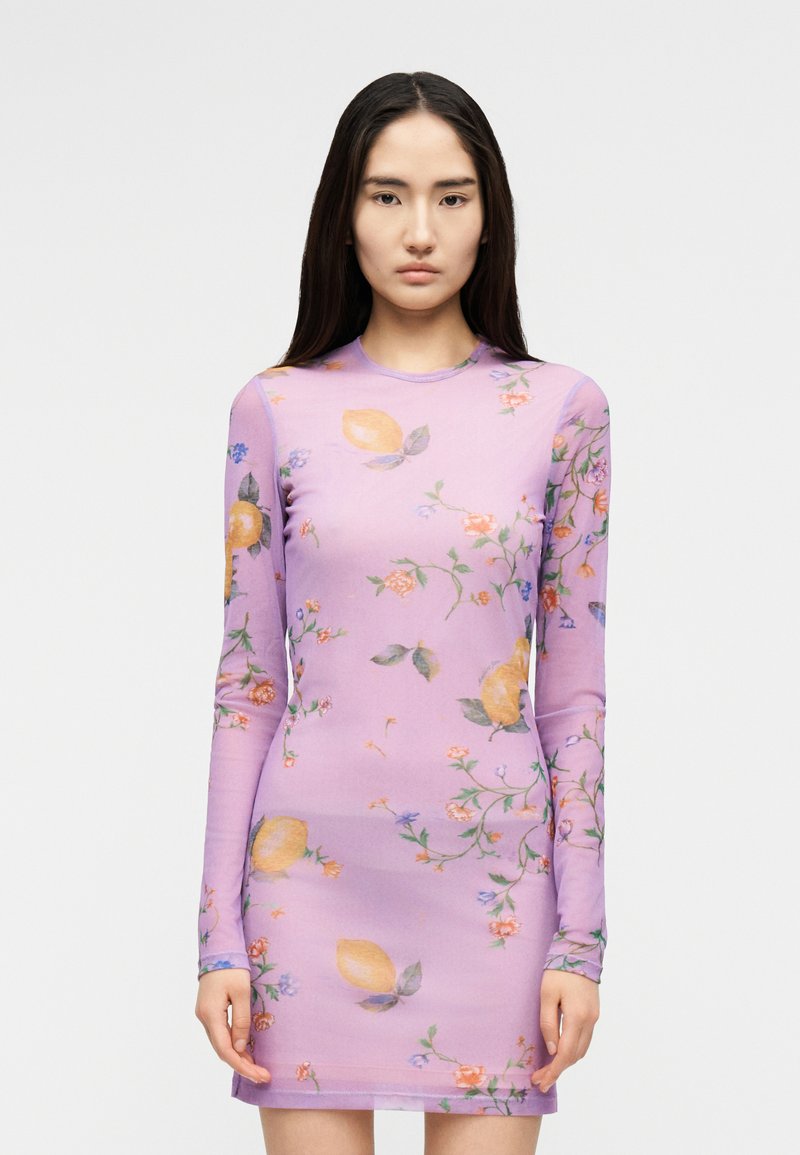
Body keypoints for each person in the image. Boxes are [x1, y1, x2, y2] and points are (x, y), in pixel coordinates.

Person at [194, 71, 611, 1155]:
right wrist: (218, 937)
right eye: (387, 195)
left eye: (450, 196)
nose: (419, 229)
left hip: (496, 890)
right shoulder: (274, 408)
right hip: (305, 882)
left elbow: (572, 701)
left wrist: (578, 941)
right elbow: (247, 687)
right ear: (344, 215)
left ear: (489, 216)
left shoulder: (560, 411)